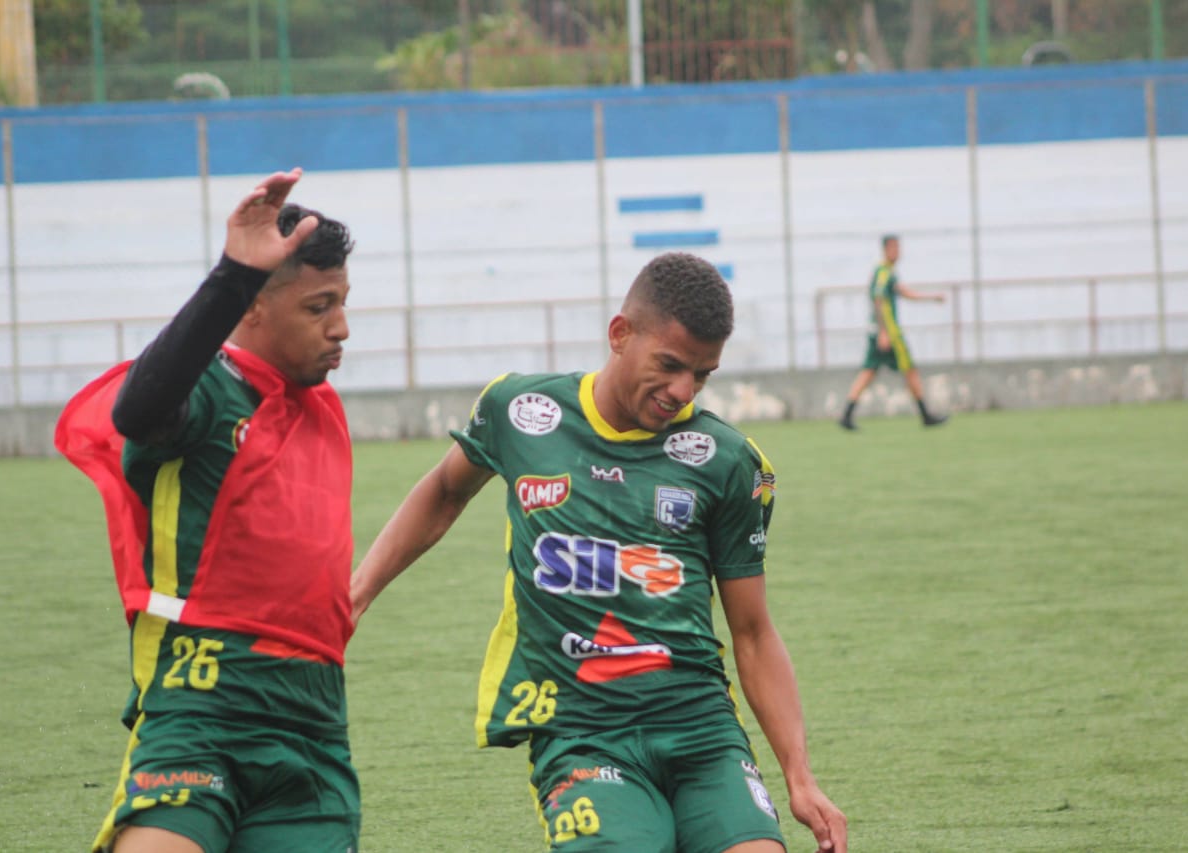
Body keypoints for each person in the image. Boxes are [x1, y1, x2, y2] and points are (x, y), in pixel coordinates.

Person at [351, 252, 847, 853]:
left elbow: (753, 630)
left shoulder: (728, 460)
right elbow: (444, 490)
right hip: (581, 732)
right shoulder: (521, 412)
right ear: (620, 334)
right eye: (668, 365)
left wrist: (799, 776)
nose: (681, 391)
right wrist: (357, 594)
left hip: (701, 732)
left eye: (702, 374)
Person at [55, 168, 360, 853]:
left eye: (343, 302)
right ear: (252, 307)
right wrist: (231, 276)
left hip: (313, 723)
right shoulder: (210, 393)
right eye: (319, 307)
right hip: (203, 706)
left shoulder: (320, 405)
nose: (341, 327)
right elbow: (140, 410)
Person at [838, 234, 948, 430]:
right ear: (886, 249)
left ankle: (847, 414)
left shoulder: (888, 272)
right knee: (909, 370)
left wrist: (931, 298)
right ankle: (925, 415)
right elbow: (878, 299)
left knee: (869, 371)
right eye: (895, 248)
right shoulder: (883, 272)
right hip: (889, 333)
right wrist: (884, 332)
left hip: (882, 332)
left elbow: (903, 292)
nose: (898, 252)